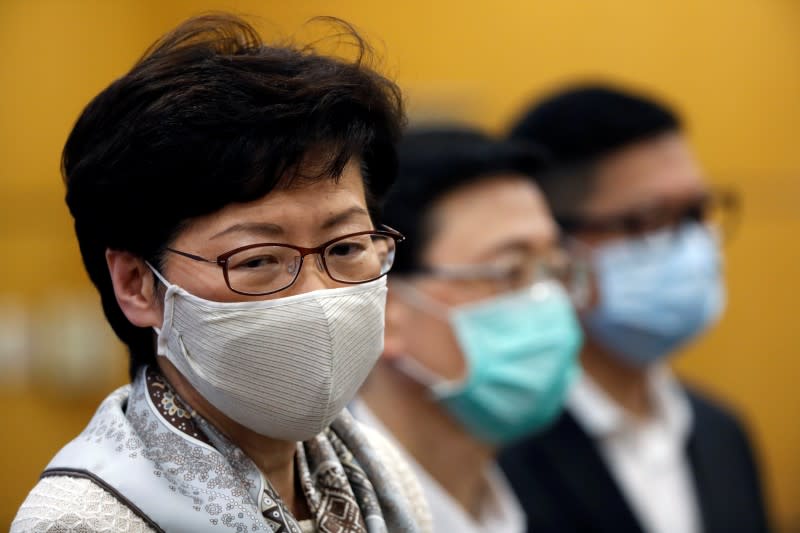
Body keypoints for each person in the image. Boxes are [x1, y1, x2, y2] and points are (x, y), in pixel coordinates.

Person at [12, 14, 432, 533]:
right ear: (137, 285)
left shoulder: (372, 468)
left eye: (346, 247)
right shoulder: (84, 521)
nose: (320, 296)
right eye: (257, 260)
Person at [499, 84, 771, 533]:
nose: (690, 245)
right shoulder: (497, 454)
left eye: (696, 212)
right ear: (554, 247)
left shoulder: (723, 432)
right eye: (645, 220)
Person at [354, 127, 585, 533]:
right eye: (509, 272)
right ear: (386, 309)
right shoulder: (318, 508)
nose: (547, 300)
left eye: (553, 270)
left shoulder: (555, 497)